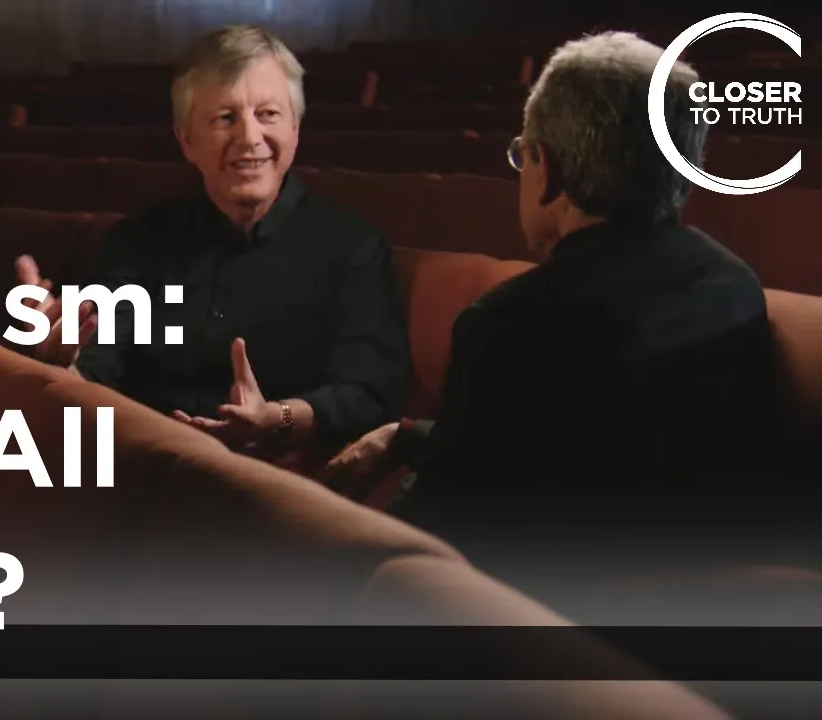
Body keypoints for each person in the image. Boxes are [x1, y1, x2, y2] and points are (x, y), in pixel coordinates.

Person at [320, 32, 781, 545]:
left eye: (523, 156)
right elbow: (603, 444)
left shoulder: (509, 321)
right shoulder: (735, 284)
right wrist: (406, 438)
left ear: (550, 171)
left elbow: (439, 530)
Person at [15, 25, 412, 465]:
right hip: (145, 467)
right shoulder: (139, 240)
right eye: (225, 118)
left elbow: (367, 393)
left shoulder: (353, 246)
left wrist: (276, 417)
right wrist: (55, 362)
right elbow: (100, 368)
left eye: (268, 114)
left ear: (295, 128)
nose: (249, 137)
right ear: (186, 140)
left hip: (278, 480)